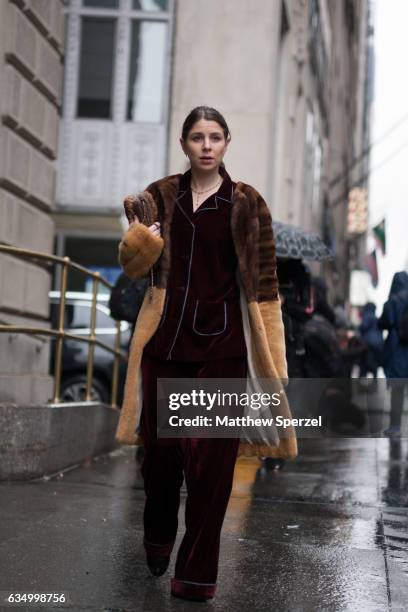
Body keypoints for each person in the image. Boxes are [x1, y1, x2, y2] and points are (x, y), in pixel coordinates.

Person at [114, 106, 297, 602]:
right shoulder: (159, 196)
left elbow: (264, 288)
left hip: (223, 351)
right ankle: (157, 536)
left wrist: (274, 365)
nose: (207, 145)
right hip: (165, 345)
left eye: (215, 137)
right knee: (161, 462)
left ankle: (195, 577)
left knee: (211, 472)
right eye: (197, 137)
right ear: (184, 144)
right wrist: (142, 242)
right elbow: (131, 268)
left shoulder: (247, 204)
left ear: (227, 142)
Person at [379, 271, 408, 436]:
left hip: (396, 348)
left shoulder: (393, 301)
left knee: (397, 390)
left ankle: (395, 426)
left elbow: (385, 322)